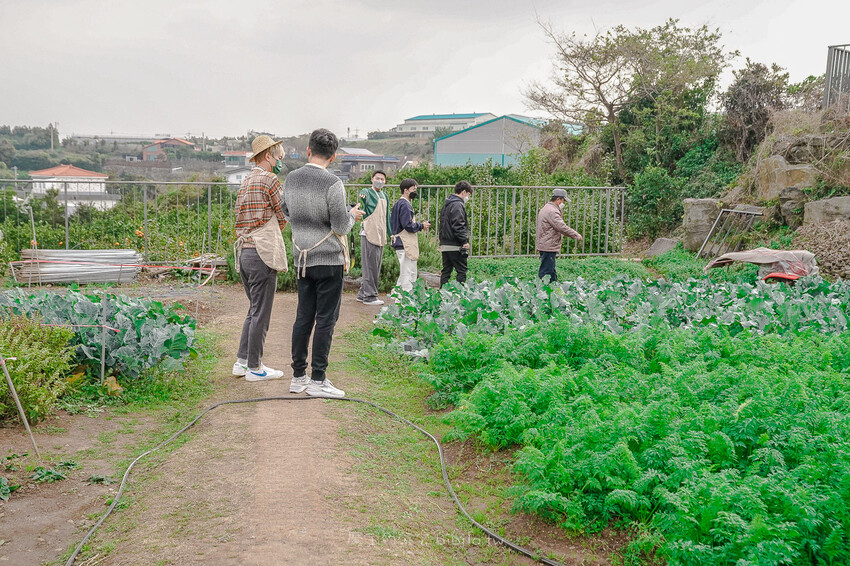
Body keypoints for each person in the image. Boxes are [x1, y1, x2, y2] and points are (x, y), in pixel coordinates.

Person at [281, 128, 365, 398]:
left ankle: (298, 376)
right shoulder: (333, 183)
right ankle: (318, 379)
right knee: (326, 318)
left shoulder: (291, 179)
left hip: (301, 258)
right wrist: (352, 215)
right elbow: (341, 225)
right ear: (334, 156)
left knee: (303, 316)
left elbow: (285, 211)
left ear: (308, 150)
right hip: (328, 259)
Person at [232, 135, 288, 382]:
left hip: (245, 251)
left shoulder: (245, 181)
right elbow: (283, 213)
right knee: (261, 313)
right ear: (268, 155)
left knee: (253, 309)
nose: (280, 160)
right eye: (279, 156)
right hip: (262, 252)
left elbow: (237, 216)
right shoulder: (270, 180)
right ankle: (255, 368)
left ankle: (242, 361)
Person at [356, 170, 391, 306]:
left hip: (380, 233)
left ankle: (362, 293)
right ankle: (370, 296)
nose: (380, 181)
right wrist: (363, 193)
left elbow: (387, 216)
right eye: (377, 178)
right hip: (369, 232)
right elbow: (363, 195)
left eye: (382, 179)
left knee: (375, 265)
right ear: (372, 179)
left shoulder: (384, 195)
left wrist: (391, 233)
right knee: (370, 266)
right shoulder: (368, 192)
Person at [390, 178, 431, 293]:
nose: (415, 192)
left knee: (405, 271)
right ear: (406, 190)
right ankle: (405, 297)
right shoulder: (405, 205)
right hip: (404, 242)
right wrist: (421, 226)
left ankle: (397, 294)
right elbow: (407, 225)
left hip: (399, 241)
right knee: (408, 272)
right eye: (413, 189)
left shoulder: (399, 203)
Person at [535, 188, 583, 283]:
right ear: (558, 199)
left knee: (551, 272)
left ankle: (555, 291)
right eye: (563, 200)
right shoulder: (552, 211)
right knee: (546, 272)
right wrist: (576, 235)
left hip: (546, 244)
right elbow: (561, 227)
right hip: (548, 245)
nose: (563, 203)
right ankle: (540, 291)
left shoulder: (546, 208)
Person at [438, 180, 473, 287]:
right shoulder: (458, 204)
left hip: (445, 243)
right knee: (461, 271)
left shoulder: (447, 203)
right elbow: (458, 224)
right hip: (455, 244)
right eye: (468, 194)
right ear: (463, 192)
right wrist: (464, 241)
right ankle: (459, 295)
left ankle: (442, 295)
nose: (468, 197)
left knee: (446, 271)